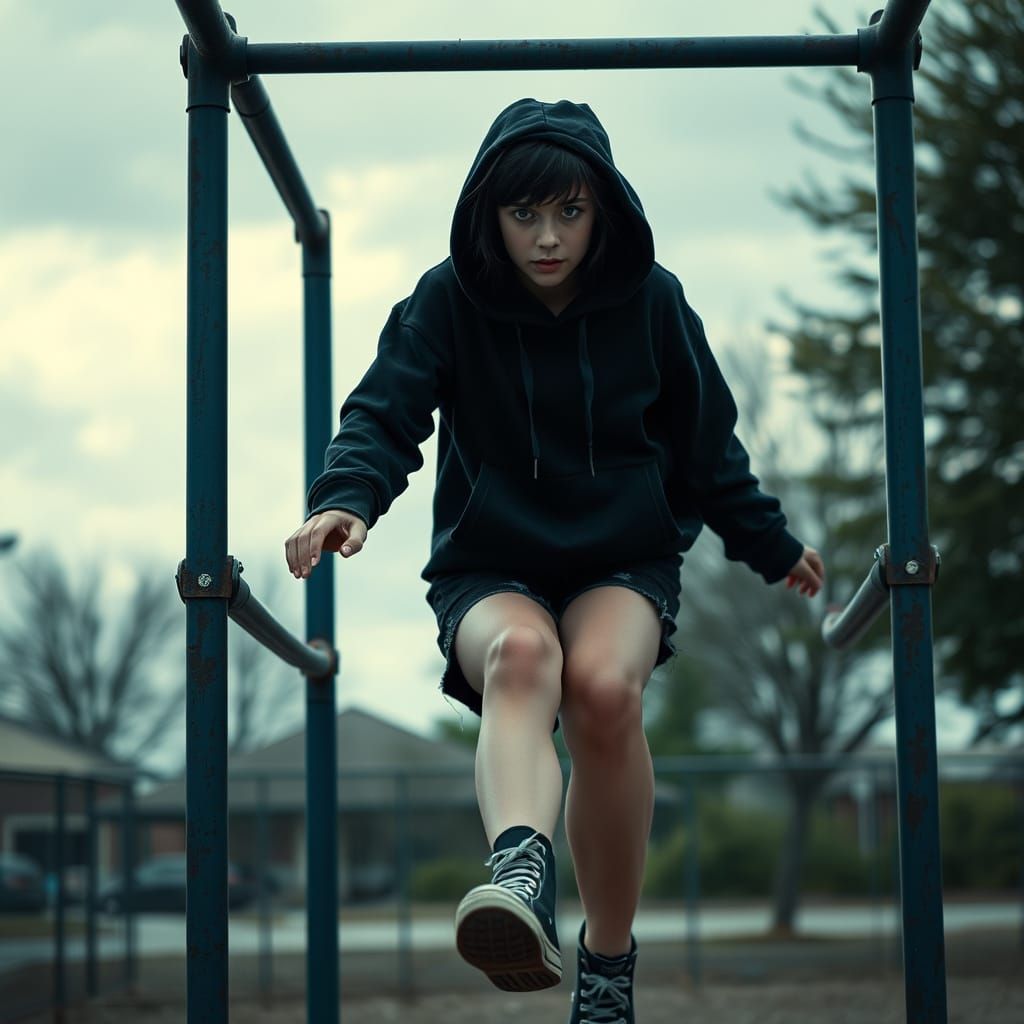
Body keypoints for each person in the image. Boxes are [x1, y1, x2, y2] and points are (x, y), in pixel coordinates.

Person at [285, 98, 824, 1024]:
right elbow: (384, 414)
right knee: (523, 660)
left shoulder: (655, 302)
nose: (547, 238)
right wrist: (344, 499)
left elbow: (709, 450)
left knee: (606, 692)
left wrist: (771, 545)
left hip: (621, 557)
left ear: (602, 209)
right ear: (488, 214)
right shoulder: (446, 299)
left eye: (569, 213)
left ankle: (606, 968)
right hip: (492, 562)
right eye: (524, 215)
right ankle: (521, 875)